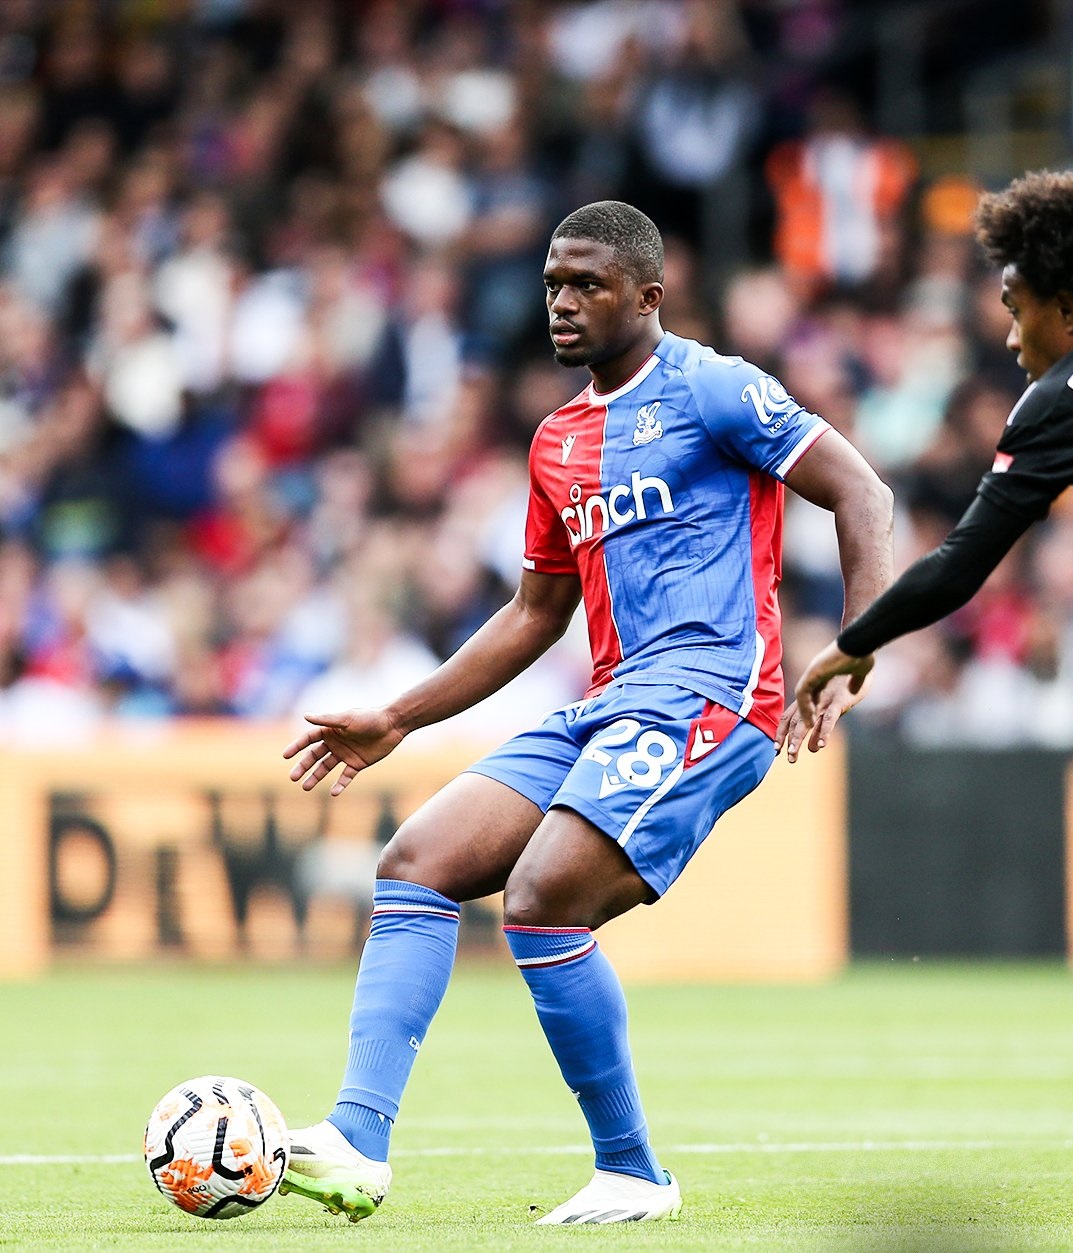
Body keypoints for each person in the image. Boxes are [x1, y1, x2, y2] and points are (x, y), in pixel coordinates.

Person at [280, 200, 893, 1224]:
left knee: (542, 894)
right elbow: (533, 615)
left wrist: (856, 644)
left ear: (649, 295)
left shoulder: (716, 387)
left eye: (588, 285)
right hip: (610, 704)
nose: (561, 303)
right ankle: (356, 1138)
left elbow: (863, 495)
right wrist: (396, 716)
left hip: (714, 696)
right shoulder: (558, 440)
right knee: (416, 860)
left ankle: (634, 1171)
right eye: (554, 284)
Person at [784, 169, 1073, 758]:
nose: (1012, 340)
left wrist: (853, 644)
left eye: (1018, 312)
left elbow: (959, 563)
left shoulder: (1057, 401)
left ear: (1068, 312)